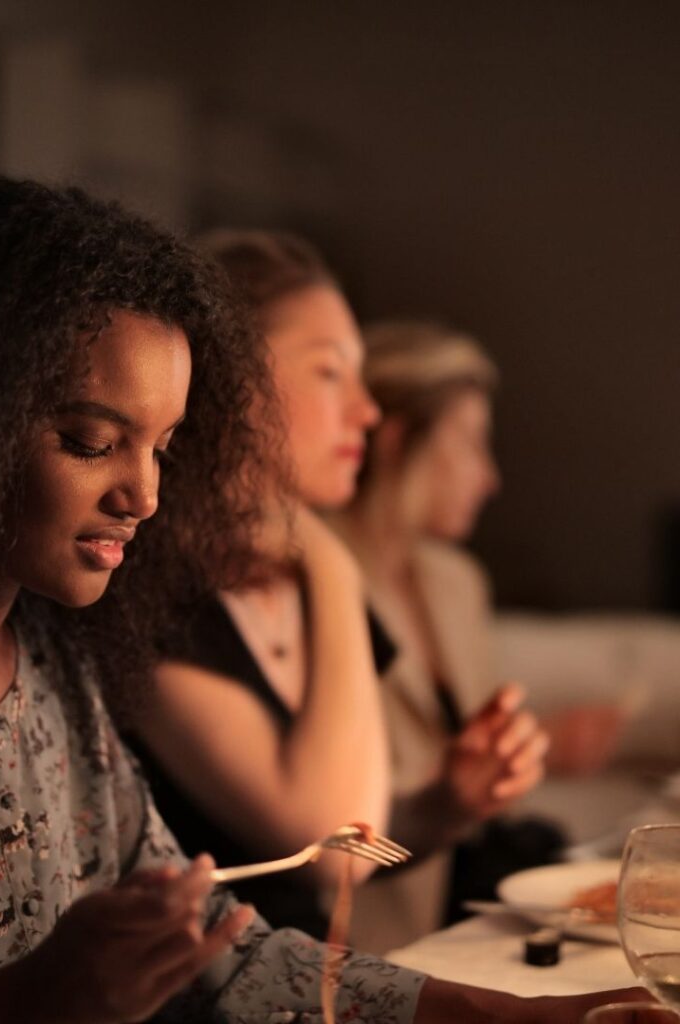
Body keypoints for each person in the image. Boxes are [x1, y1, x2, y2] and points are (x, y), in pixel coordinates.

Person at [0, 178, 644, 1023]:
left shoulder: (50, 659)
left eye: (162, 446)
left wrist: (524, 1014)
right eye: (92, 439)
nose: (145, 495)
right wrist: (30, 1005)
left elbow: (227, 950)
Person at [130, 232, 545, 948]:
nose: (367, 410)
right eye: (331, 373)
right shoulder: (144, 592)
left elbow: (346, 849)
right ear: (230, 379)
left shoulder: (292, 583)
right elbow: (327, 836)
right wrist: (329, 560)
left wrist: (443, 805)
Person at [329, 320, 604, 953]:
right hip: (369, 934)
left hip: (472, 904)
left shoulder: (456, 581)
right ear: (397, 441)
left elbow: (476, 763)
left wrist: (535, 749)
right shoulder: (319, 577)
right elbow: (340, 808)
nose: (490, 478)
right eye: (472, 445)